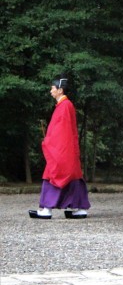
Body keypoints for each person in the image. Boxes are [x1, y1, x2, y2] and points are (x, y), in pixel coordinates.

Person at [29, 77, 90, 219]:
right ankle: (79, 208)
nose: (51, 91)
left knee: (54, 174)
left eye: (53, 88)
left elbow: (63, 132)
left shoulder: (65, 106)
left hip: (62, 150)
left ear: (60, 90)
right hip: (65, 150)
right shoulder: (63, 106)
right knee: (72, 176)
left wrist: (49, 142)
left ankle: (47, 209)